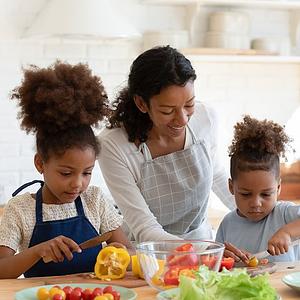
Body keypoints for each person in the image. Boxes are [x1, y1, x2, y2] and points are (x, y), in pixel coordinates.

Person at [0, 62, 132, 279]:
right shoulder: (20, 209)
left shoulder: (95, 201)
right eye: (66, 173)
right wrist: (38, 251)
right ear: (40, 164)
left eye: (87, 173)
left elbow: (128, 250)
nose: (78, 183)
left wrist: (120, 253)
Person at [97, 45, 235, 243]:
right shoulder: (113, 145)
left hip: (202, 245)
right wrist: (203, 251)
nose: (183, 119)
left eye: (189, 105)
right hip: (148, 256)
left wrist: (264, 212)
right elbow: (145, 227)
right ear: (141, 104)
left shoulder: (206, 118)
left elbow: (216, 175)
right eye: (168, 111)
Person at [216, 115, 300, 262]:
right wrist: (222, 259)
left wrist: (287, 232)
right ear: (231, 187)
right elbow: (217, 263)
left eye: (266, 194)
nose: (256, 203)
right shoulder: (227, 224)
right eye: (246, 194)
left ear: (278, 188)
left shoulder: (285, 214)